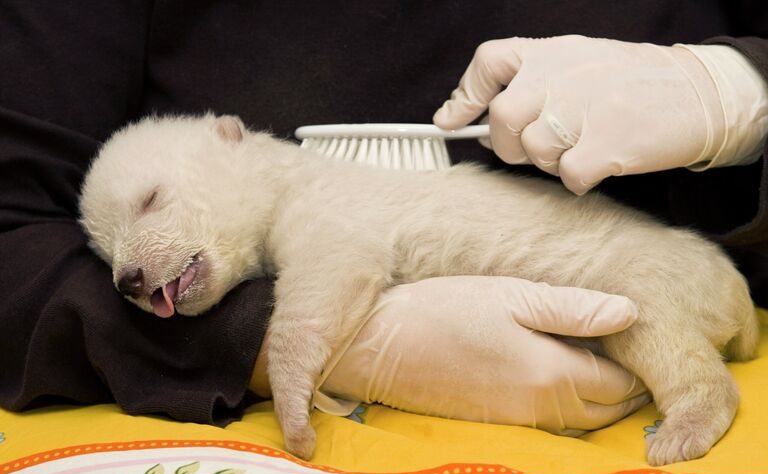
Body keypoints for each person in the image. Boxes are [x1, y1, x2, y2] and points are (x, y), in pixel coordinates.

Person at [1, 2, 766, 436]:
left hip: (677, 274)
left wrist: (738, 90)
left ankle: (699, 395)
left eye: (149, 207)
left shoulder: (314, 201)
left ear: (228, 138)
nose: (126, 270)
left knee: (633, 300)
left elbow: (339, 261)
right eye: (108, 254)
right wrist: (252, 340)